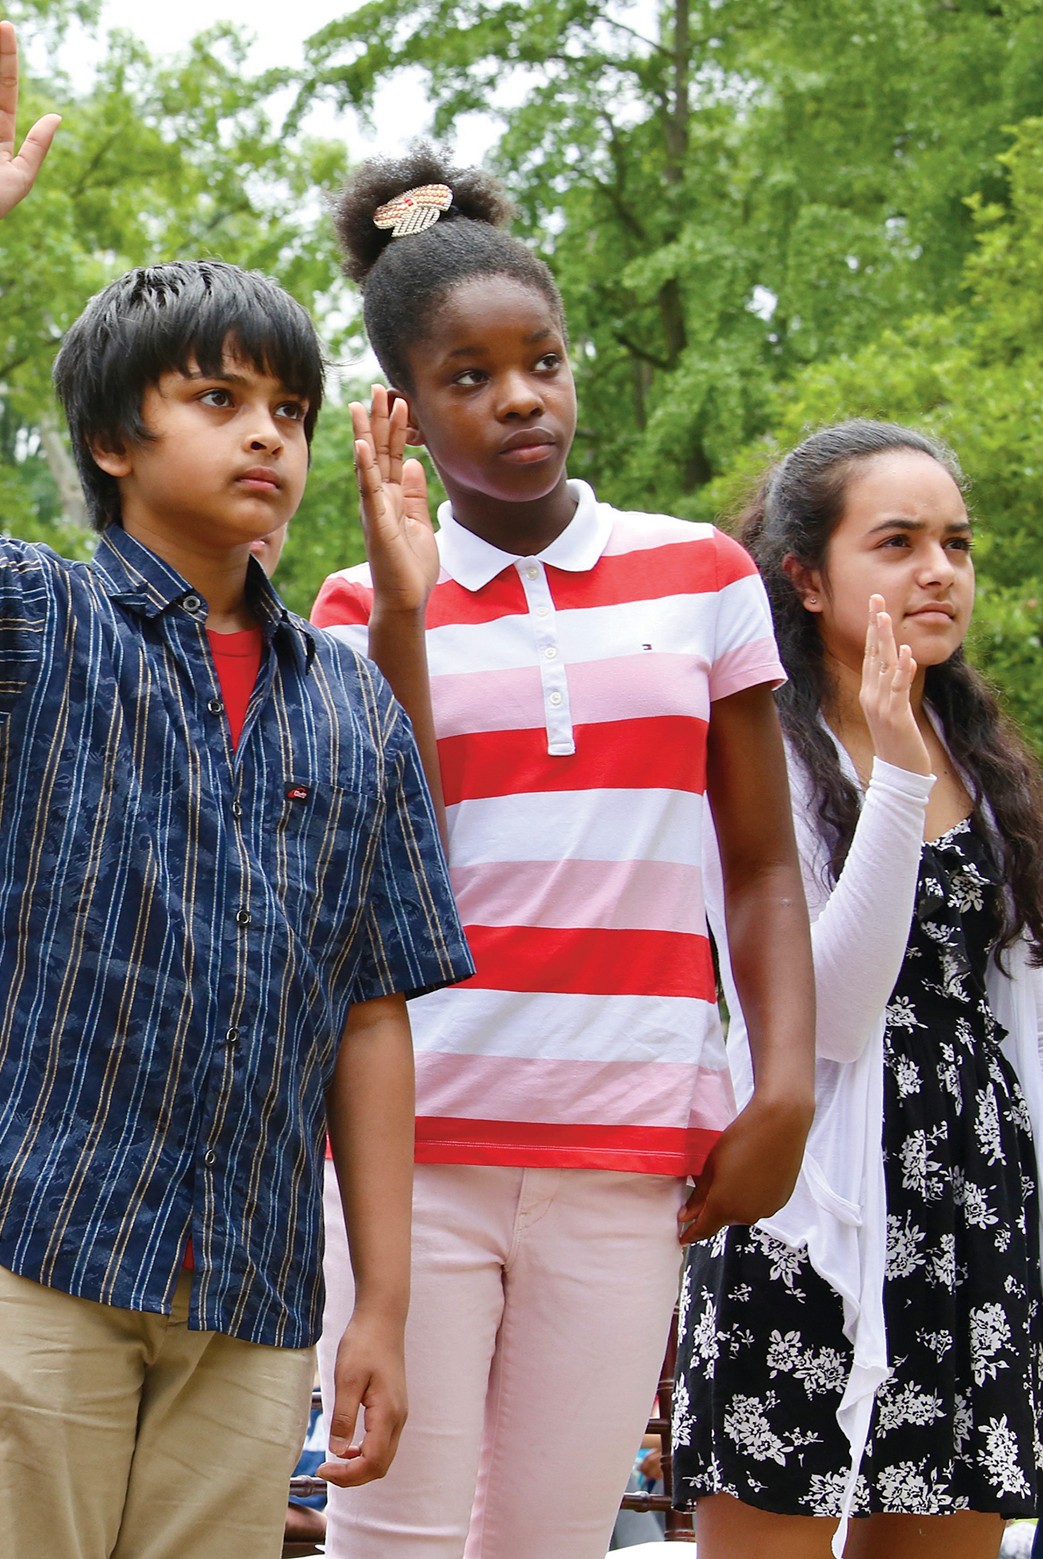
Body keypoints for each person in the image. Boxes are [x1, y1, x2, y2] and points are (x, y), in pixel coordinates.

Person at [0, 2, 474, 1557]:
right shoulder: (37, 619)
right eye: (219, 401)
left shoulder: (355, 707)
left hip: (249, 1290)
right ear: (114, 437)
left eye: (290, 412)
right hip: (34, 1241)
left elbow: (371, 1010)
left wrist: (383, 1298)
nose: (269, 440)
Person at [306, 145, 818, 1559]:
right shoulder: (354, 598)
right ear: (402, 411)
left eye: (542, 359)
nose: (520, 396)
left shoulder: (705, 576)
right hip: (415, 1146)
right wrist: (407, 611)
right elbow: (382, 845)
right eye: (468, 376)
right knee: (389, 1540)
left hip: (636, 1138)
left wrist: (780, 1086)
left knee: (551, 1542)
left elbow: (763, 864)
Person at [674, 420, 1043, 1558]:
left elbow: (1015, 998)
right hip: (808, 1198)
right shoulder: (759, 744)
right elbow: (828, 1014)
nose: (938, 569)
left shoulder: (979, 756)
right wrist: (887, 774)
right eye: (897, 541)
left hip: (972, 1203)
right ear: (803, 572)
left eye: (956, 542)